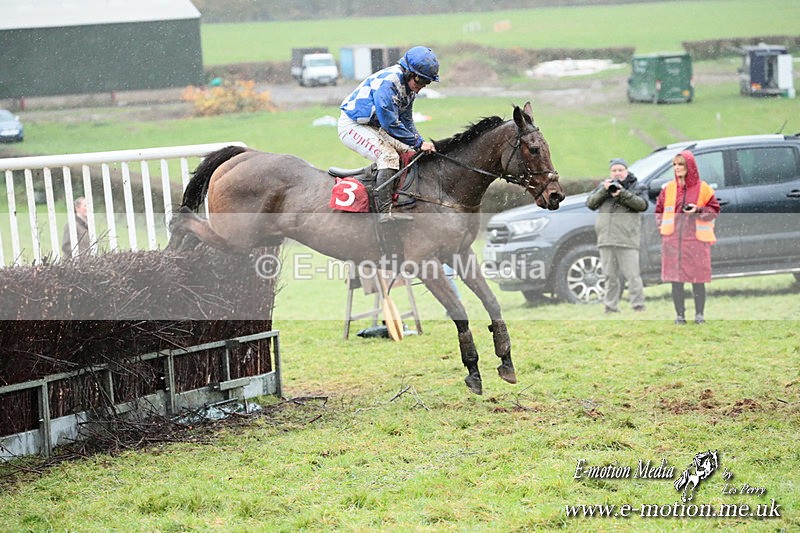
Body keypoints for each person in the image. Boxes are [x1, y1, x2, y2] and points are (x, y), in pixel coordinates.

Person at [338, 46, 439, 223]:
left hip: (373, 126)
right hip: (353, 125)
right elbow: (390, 122)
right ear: (409, 73)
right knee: (388, 155)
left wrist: (419, 142)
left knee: (410, 151)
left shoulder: (408, 89)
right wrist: (417, 142)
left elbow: (406, 121)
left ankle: (398, 197)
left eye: (427, 83)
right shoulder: (389, 82)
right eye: (421, 81)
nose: (421, 87)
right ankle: (383, 212)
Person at [655, 151, 720, 324]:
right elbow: (659, 211)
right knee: (676, 281)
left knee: (698, 280)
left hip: (696, 241)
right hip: (673, 242)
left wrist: (697, 211)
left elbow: (714, 210)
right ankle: (680, 316)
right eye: (674, 165)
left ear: (689, 166)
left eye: (680, 164)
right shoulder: (668, 189)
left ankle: (699, 315)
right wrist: (662, 227)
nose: (676, 168)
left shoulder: (703, 188)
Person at [586, 158, 648, 313]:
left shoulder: (636, 186)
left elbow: (642, 205)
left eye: (620, 170)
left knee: (632, 275)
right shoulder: (604, 187)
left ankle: (638, 306)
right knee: (609, 276)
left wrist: (622, 194)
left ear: (626, 171)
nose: (617, 173)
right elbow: (590, 203)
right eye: (614, 170)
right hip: (606, 239)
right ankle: (610, 307)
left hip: (627, 239)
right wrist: (604, 190)